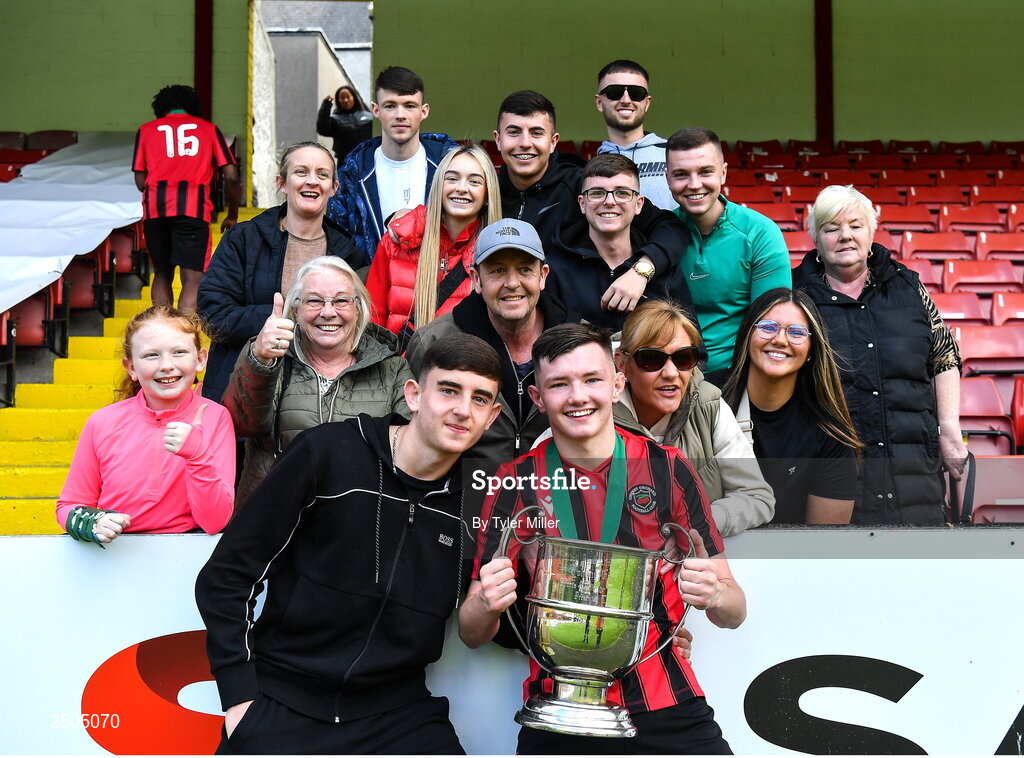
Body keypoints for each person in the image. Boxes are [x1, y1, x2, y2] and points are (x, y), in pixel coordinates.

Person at [195, 334, 503, 755]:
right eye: (448, 390)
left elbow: (474, 626)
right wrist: (240, 698)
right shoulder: (327, 451)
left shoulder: (480, 499)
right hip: (284, 698)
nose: (462, 410)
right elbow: (227, 577)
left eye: (480, 399)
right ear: (413, 395)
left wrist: (486, 603)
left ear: (492, 416)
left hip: (396, 713)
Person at [460, 322, 745, 755]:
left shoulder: (669, 468)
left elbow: (734, 611)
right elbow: (471, 632)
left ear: (616, 384)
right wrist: (485, 603)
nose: (578, 396)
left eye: (592, 379)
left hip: (665, 702)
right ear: (538, 397)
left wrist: (715, 594)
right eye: (559, 384)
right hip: (556, 707)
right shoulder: (512, 481)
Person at [792, 185, 967, 525]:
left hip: (914, 473)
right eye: (832, 228)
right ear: (816, 237)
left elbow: (944, 355)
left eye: (856, 226)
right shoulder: (794, 296)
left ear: (871, 231)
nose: (845, 236)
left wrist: (949, 428)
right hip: (832, 477)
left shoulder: (909, 287)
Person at [222, 256, 413, 506]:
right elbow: (241, 425)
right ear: (296, 310)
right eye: (314, 301)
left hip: (360, 520)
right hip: (274, 516)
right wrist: (260, 359)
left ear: (358, 308)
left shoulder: (393, 369)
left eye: (341, 301)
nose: (328, 312)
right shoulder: (269, 358)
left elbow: (411, 453)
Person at [493, 90, 689, 314]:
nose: (525, 143)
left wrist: (641, 271)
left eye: (537, 133)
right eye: (514, 132)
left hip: (571, 315)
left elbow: (670, 228)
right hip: (508, 309)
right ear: (498, 140)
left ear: (553, 141)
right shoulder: (487, 192)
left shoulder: (588, 187)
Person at [197, 141, 363, 403]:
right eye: (301, 172)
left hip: (317, 398)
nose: (312, 181)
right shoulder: (244, 239)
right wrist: (283, 316)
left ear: (334, 188)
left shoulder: (348, 255)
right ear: (282, 183)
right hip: (241, 388)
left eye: (322, 174)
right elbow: (212, 313)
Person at [406, 218, 578, 469]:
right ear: (476, 279)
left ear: (543, 276)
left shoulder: (581, 344)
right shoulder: (434, 341)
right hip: (464, 495)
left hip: (559, 495)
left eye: (524, 269)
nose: (511, 283)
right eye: (497, 270)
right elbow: (411, 431)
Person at [56, 306, 235, 544]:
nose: (166, 365)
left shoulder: (216, 417)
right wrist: (93, 521)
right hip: (114, 552)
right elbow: (68, 506)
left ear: (200, 359)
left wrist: (197, 456)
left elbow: (215, 521)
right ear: (131, 367)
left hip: (187, 550)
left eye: (179, 352)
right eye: (152, 355)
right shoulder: (102, 422)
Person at [613, 300, 775, 536]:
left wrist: (696, 525)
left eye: (683, 358)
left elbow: (757, 497)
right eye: (651, 359)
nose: (670, 373)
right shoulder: (594, 411)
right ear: (622, 364)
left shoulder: (709, 405)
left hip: (695, 563)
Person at [721, 288, 860, 524]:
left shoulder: (830, 431)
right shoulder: (707, 400)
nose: (780, 339)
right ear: (747, 334)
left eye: (796, 332)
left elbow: (825, 545)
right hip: (707, 552)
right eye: (767, 327)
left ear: (810, 350)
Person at [666, 127, 791, 382]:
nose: (694, 184)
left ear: (723, 173)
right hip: (671, 376)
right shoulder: (660, 232)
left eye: (705, 172)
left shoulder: (760, 233)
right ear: (667, 178)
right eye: (681, 175)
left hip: (739, 378)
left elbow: (772, 322)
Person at [366, 143, 501, 338]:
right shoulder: (398, 240)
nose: (461, 188)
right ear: (439, 185)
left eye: (474, 182)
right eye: (452, 179)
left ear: (487, 194)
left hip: (462, 366)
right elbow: (372, 323)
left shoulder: (496, 252)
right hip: (399, 366)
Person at [546, 153, 692, 330]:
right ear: (582, 204)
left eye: (622, 193)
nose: (609, 201)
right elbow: (546, 347)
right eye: (597, 193)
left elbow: (693, 350)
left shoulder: (664, 270)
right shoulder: (554, 269)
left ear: (638, 204)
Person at [326, 66, 458, 261]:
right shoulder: (354, 172)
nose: (400, 115)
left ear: (424, 111)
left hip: (439, 284)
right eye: (390, 106)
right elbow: (337, 237)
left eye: (410, 105)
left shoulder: (448, 164)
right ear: (375, 110)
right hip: (373, 284)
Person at [132, 84, 241, 313]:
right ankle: (184, 338)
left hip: (155, 210)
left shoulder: (146, 130)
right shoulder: (209, 130)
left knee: (162, 272)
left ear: (161, 107)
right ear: (193, 107)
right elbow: (231, 176)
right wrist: (232, 214)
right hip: (194, 210)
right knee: (192, 278)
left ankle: (162, 331)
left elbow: (141, 181)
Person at [594, 59, 675, 210]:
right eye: (615, 92)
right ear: (599, 102)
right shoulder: (588, 168)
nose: (626, 100)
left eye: (636, 93)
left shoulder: (674, 153)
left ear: (647, 103)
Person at [316, 85, 372, 165]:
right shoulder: (335, 119)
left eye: (348, 97)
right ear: (338, 101)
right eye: (342, 98)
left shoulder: (368, 116)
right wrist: (326, 106)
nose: (345, 100)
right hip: (345, 162)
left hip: (368, 159)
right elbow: (322, 129)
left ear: (354, 98)